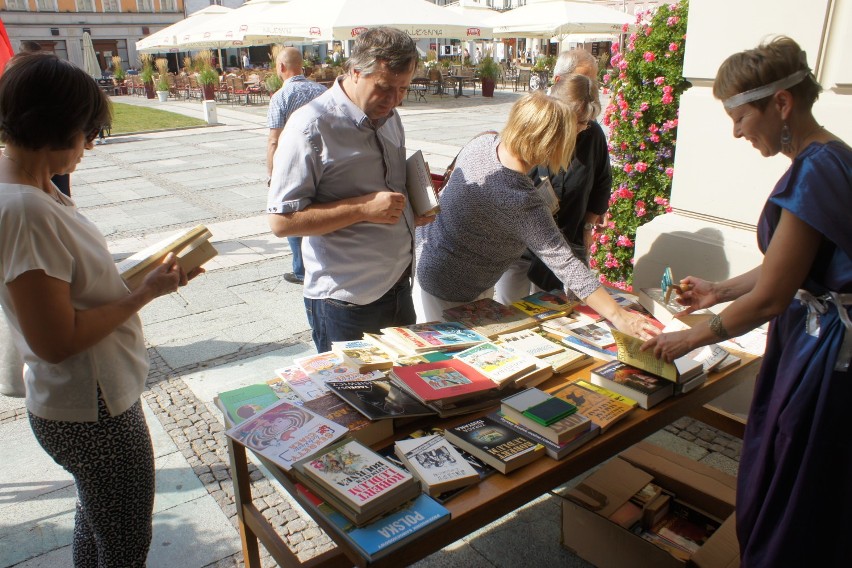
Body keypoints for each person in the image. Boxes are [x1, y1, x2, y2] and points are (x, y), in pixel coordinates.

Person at [641, 37, 851, 567]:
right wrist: (721, 290)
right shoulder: (832, 156)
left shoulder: (815, 169)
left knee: (795, 475)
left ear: (781, 103)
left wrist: (694, 333)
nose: (737, 132)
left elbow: (774, 296)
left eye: (740, 117)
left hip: (824, 354)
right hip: (818, 337)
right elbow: (796, 265)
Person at [0, 53, 199, 567]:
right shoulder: (26, 209)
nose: (90, 145)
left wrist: (140, 277)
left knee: (98, 522)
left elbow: (68, 290)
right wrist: (144, 293)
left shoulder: (34, 188)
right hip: (93, 409)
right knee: (126, 543)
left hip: (86, 400)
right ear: (58, 125)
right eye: (88, 131)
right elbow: (55, 339)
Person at [413, 91, 658, 340]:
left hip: (436, 258)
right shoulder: (518, 199)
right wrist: (618, 315)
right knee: (453, 358)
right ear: (547, 143)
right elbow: (566, 263)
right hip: (450, 286)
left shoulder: (484, 142)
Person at [267, 27, 430, 353]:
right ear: (354, 72)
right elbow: (281, 222)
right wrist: (362, 209)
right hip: (347, 302)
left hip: (399, 285)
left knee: (405, 395)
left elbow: (386, 186)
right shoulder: (310, 126)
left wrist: (417, 203)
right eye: (384, 88)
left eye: (403, 89)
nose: (394, 100)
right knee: (358, 401)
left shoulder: (391, 117)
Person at [494, 62, 609, 304]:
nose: (582, 128)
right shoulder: (537, 130)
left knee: (552, 311)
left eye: (587, 121)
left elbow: (601, 183)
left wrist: (588, 227)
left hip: (565, 239)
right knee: (509, 310)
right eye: (577, 121)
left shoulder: (592, 134)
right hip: (520, 246)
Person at [266, 46, 326, 285]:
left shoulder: (280, 97)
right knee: (320, 214)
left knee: (291, 212)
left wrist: (272, 175)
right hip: (324, 162)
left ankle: (301, 269)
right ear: (302, 66)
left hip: (293, 166)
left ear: (281, 67)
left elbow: (273, 140)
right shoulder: (322, 90)